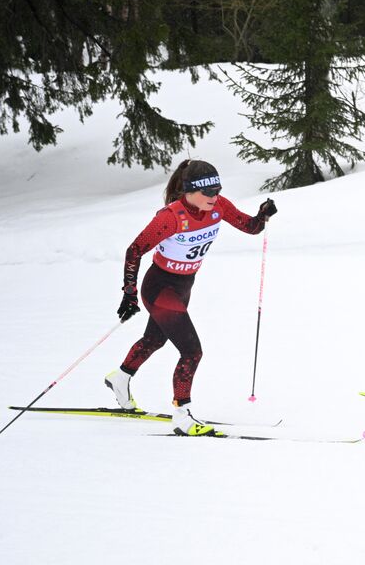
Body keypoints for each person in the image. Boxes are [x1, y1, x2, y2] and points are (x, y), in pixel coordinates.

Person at [105, 160, 277, 435]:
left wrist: (263, 215)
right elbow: (134, 250)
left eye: (217, 190)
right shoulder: (171, 217)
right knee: (191, 351)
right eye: (207, 192)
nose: (213, 197)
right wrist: (129, 294)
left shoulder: (219, 206)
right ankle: (183, 416)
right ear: (189, 190)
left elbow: (251, 227)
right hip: (160, 287)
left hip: (184, 286)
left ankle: (120, 378)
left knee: (154, 339)